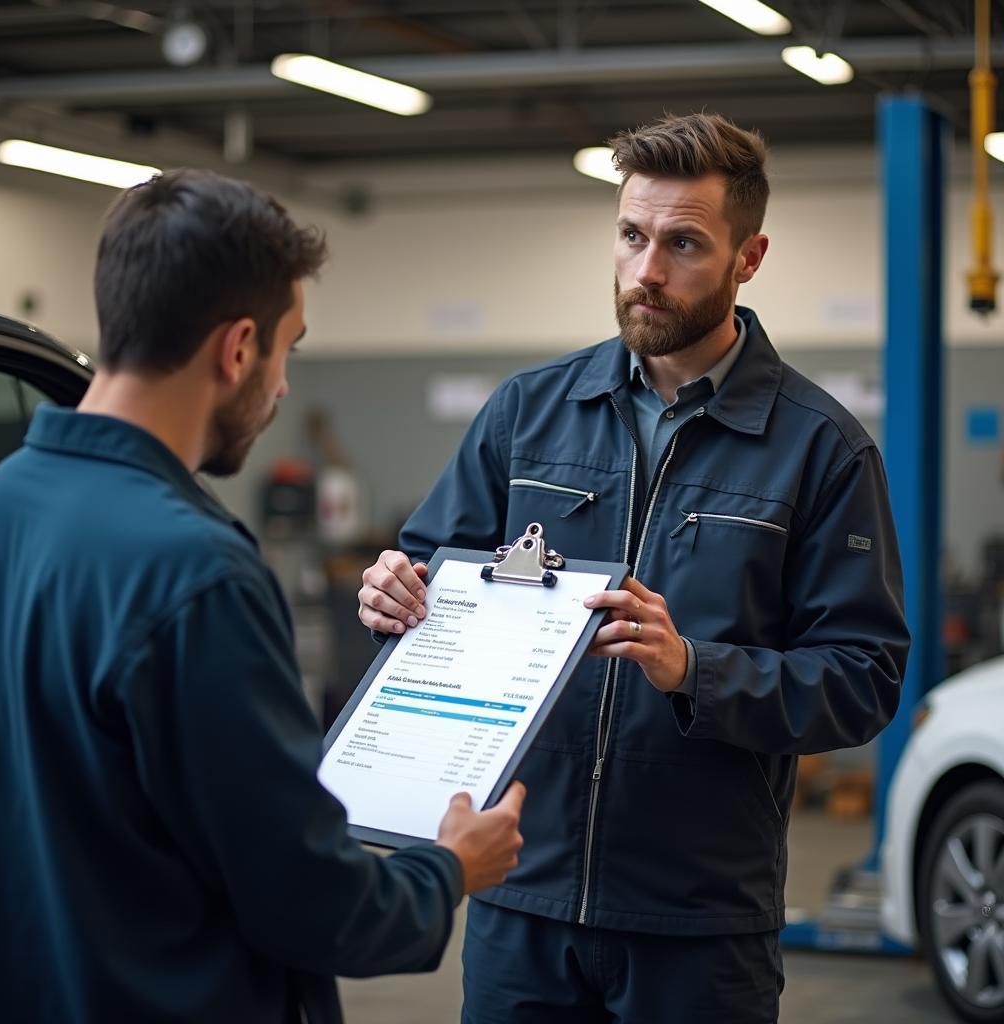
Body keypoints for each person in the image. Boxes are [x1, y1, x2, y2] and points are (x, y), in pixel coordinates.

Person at [358, 112, 910, 1023]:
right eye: (631, 236)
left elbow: (863, 679)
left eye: (684, 244)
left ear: (749, 257)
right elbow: (425, 574)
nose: (647, 271)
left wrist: (693, 667)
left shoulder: (822, 452)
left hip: (697, 927)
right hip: (520, 902)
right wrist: (388, 595)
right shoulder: (526, 415)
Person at [0, 168, 525, 1024]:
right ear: (238, 349)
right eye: (287, 351)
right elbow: (308, 902)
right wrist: (448, 867)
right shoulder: (197, 574)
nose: (279, 389)